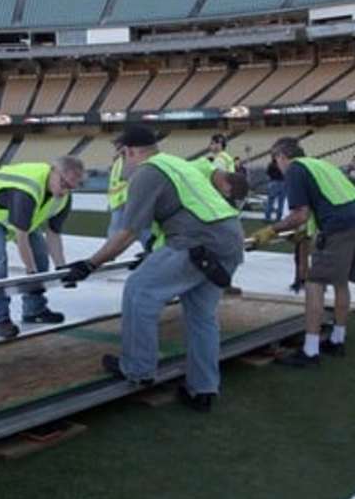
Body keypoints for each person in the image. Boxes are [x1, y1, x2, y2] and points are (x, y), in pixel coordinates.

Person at [61, 124, 245, 411]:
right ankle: (204, 389)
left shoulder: (145, 174)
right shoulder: (175, 163)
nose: (119, 161)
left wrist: (89, 264)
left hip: (196, 244)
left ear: (131, 152)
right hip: (230, 239)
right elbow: (190, 205)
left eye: (120, 154)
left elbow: (128, 232)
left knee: (139, 290)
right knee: (202, 316)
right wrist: (155, 254)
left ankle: (138, 370)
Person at [249, 137, 355, 367]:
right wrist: (306, 232)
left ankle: (310, 351)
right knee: (340, 282)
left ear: (281, 156)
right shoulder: (319, 164)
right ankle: (337, 339)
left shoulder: (295, 169)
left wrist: (271, 230)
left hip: (340, 228)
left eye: (275, 160)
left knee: (314, 283)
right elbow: (325, 204)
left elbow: (300, 214)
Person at [0, 155, 84, 338]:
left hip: (16, 211)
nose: (66, 191)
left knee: (40, 254)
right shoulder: (27, 190)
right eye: (63, 184)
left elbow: (53, 235)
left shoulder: (64, 196)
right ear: (53, 171)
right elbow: (22, 238)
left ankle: (34, 310)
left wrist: (62, 270)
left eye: (72, 187)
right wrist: (32, 274)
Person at [264, 158, 286, 223]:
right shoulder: (282, 164)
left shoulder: (271, 165)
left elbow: (267, 172)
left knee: (270, 202)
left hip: (273, 182)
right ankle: (278, 218)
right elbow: (285, 172)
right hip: (282, 183)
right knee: (281, 202)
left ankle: (267, 218)